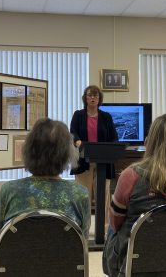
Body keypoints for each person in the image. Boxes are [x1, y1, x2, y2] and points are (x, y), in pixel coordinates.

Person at [0, 118, 91, 249]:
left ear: (29, 151)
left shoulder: (9, 190)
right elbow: (82, 244)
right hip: (64, 267)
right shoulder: (79, 194)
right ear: (67, 154)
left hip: (17, 268)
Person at [103, 114, 166, 277]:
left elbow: (116, 223)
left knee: (112, 227)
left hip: (133, 265)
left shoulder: (130, 175)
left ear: (149, 141)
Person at [70, 85, 118, 231]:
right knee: (83, 197)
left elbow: (114, 137)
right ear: (85, 98)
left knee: (103, 198)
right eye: (90, 95)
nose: (92, 98)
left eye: (96, 96)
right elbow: (72, 133)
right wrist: (78, 142)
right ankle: (82, 228)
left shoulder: (106, 117)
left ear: (99, 99)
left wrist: (113, 148)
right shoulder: (78, 115)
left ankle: (104, 229)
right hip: (83, 161)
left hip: (103, 162)